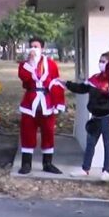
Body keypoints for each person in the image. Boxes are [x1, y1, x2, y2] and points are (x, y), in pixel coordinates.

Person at [18, 37, 66, 175]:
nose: (34, 49)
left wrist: (58, 103)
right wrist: (31, 63)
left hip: (47, 102)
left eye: (36, 46)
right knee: (27, 132)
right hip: (30, 103)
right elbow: (24, 78)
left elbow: (56, 83)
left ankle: (47, 163)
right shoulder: (24, 65)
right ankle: (26, 164)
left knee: (48, 132)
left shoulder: (51, 64)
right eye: (31, 46)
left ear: (42, 48)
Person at [64, 52, 109, 182]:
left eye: (104, 62)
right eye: (100, 61)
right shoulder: (94, 79)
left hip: (108, 117)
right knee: (90, 143)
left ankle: (106, 171)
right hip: (95, 117)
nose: (101, 64)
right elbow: (82, 88)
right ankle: (85, 169)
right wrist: (66, 84)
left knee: (107, 144)